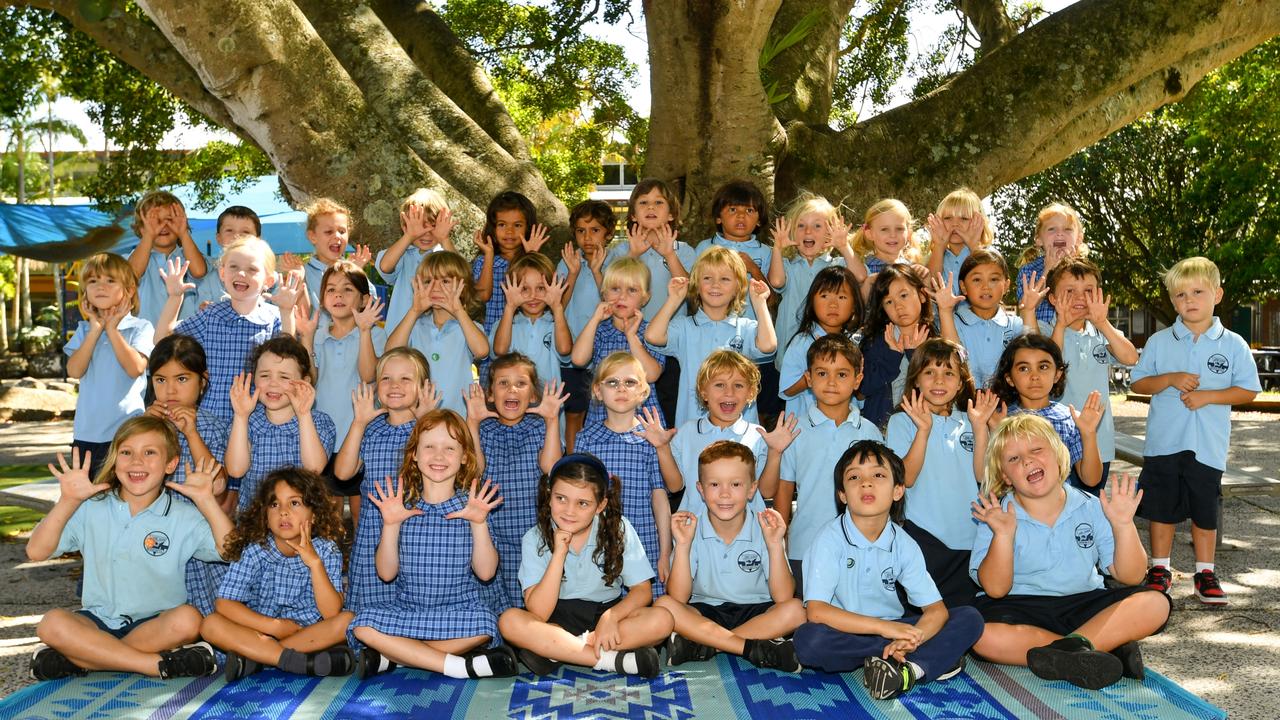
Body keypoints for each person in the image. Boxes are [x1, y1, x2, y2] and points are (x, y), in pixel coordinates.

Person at [970, 415, 1170, 689]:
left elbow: (1133, 575)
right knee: (979, 634)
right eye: (1014, 459)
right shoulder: (995, 516)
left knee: (1156, 602)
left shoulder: (1090, 506)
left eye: (1036, 450)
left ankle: (1072, 649)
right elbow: (995, 589)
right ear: (1005, 476)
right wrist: (1003, 536)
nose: (1027, 461)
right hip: (1021, 607)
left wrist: (1123, 525)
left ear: (1058, 454)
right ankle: (1101, 646)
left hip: (1085, 603)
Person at [27, 416, 229, 680]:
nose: (137, 461)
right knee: (51, 624)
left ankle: (82, 659)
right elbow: (36, 552)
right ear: (114, 459)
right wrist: (67, 501)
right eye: (126, 452)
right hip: (95, 622)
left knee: (189, 619)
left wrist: (207, 502)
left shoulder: (184, 515)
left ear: (171, 463)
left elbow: (231, 551)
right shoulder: (90, 506)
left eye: (149, 452)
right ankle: (156, 665)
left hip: (155, 624)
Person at [793, 441, 983, 700]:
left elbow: (935, 610)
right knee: (808, 640)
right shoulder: (828, 540)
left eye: (878, 475)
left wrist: (910, 637)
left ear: (898, 491)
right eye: (854, 476)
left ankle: (906, 669)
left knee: (970, 617)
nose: (866, 483)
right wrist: (886, 630)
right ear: (842, 494)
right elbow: (816, 611)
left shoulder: (904, 544)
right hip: (845, 630)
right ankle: (918, 658)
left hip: (894, 627)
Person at [350, 410, 519, 679]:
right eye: (429, 446)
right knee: (361, 625)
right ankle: (458, 666)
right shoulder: (400, 507)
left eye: (450, 448)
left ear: (464, 457)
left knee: (486, 624)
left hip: (460, 612)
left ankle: (398, 658)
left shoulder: (474, 507)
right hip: (409, 612)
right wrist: (391, 525)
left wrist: (478, 523)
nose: (439, 456)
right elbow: (386, 573)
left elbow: (486, 573)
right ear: (414, 454)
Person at [1130, 257, 1260, 604]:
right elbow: (1138, 382)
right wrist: (1170, 379)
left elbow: (1248, 390)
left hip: (1207, 447)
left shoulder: (1233, 344)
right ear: (1173, 300)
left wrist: (1209, 397)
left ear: (1217, 294)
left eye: (1198, 292)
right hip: (1164, 444)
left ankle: (1205, 572)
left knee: (1204, 511)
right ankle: (1160, 568)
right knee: (1162, 509)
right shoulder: (1160, 341)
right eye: (1180, 294)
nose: (1189, 300)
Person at [497, 454, 674, 677]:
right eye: (561, 498)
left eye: (582, 503)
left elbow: (642, 591)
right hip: (555, 618)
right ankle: (611, 660)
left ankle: (559, 651)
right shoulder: (534, 538)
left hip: (606, 612)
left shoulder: (618, 528)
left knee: (662, 620)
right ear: (549, 496)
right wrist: (559, 553)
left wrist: (611, 618)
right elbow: (539, 612)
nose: (569, 511)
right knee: (509, 621)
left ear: (600, 505)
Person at [656, 441, 806, 671]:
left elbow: (784, 596)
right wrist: (683, 545)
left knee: (796, 610)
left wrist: (775, 545)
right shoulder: (690, 527)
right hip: (705, 611)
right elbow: (677, 596)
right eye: (714, 484)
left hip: (756, 612)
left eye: (735, 484)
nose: (725, 493)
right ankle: (752, 648)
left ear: (751, 489)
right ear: (701, 489)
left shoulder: (765, 527)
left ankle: (706, 645)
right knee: (664, 605)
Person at [201, 467, 355, 680]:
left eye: (294, 503)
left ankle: (259, 658)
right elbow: (225, 603)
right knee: (210, 624)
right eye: (274, 504)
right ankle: (296, 661)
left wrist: (315, 564)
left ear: (315, 513)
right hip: (261, 631)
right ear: (264, 515)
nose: (283, 511)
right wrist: (274, 627)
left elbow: (331, 613)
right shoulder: (255, 550)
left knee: (348, 620)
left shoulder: (326, 550)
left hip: (308, 633)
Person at [885, 339, 998, 608]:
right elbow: (906, 478)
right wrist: (923, 431)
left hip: (971, 537)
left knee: (967, 612)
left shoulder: (971, 419)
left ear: (961, 382)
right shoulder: (902, 421)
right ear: (916, 380)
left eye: (949, 373)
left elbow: (983, 477)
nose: (939, 381)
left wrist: (981, 427)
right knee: (926, 610)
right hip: (924, 537)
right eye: (929, 372)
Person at [768, 335, 882, 590]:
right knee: (809, 619)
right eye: (822, 373)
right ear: (808, 379)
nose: (831, 382)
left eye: (842, 374)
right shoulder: (793, 431)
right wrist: (782, 541)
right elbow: (784, 489)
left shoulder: (870, 432)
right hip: (805, 546)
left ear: (857, 380)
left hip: (861, 546)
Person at [155, 235, 301, 424]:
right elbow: (162, 340)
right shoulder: (210, 315)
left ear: (269, 280)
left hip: (256, 422)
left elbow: (288, 359)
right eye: (234, 267)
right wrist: (175, 297)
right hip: (209, 419)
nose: (241, 274)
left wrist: (287, 311)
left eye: (252, 269)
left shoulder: (274, 317)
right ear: (222, 273)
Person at [335, 348, 438, 607]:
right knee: (373, 603)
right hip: (374, 530)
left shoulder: (430, 427)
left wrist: (425, 419)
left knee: (414, 601)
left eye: (406, 379)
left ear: (424, 387)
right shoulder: (372, 428)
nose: (394, 385)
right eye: (386, 379)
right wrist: (358, 423)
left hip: (418, 530)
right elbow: (343, 472)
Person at [464, 353, 567, 611]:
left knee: (535, 601)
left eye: (521, 384)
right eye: (503, 383)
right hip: (494, 534)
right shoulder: (485, 429)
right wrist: (473, 423)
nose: (512, 389)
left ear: (533, 396)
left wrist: (552, 419)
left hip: (534, 533)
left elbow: (552, 467)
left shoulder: (538, 427)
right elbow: (473, 472)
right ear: (489, 395)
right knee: (496, 602)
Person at [1030, 256, 1139, 493]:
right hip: (1054, 439)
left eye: (1088, 291)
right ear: (1052, 298)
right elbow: (1049, 368)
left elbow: (1131, 358)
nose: (1080, 298)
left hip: (1098, 441)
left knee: (1090, 508)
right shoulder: (1046, 329)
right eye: (1070, 291)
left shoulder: (1101, 333)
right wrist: (1060, 325)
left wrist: (1104, 324)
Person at [573, 352, 677, 595]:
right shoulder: (586, 439)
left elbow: (662, 496)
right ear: (598, 391)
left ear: (642, 392)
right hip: (597, 543)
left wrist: (665, 552)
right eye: (612, 382)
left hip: (644, 544)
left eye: (629, 382)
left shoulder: (651, 438)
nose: (621, 388)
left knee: (650, 609)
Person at [144, 334, 231, 614]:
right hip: (151, 539)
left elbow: (218, 485)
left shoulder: (214, 427)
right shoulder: (140, 425)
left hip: (200, 542)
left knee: (206, 614)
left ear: (202, 381)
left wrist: (191, 433)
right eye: (160, 380)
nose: (170, 389)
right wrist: (144, 431)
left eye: (182, 379)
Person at [646, 247, 776, 427]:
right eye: (707, 278)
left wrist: (760, 303)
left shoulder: (745, 327)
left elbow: (768, 345)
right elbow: (653, 336)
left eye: (725, 279)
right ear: (697, 285)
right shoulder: (685, 327)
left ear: (738, 287)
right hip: (693, 427)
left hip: (739, 432)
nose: (716, 285)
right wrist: (674, 299)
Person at [668, 350, 795, 516]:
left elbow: (766, 491)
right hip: (694, 532)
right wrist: (662, 447)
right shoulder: (687, 432)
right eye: (720, 385)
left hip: (747, 535)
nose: (729, 392)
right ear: (703, 391)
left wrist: (776, 452)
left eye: (738, 385)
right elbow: (674, 486)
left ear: (751, 393)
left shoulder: (758, 435)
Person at [66, 252, 153, 482]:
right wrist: (96, 329)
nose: (100, 286)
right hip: (86, 435)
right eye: (93, 281)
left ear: (130, 290)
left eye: (110, 280)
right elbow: (74, 371)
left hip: (126, 434)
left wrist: (112, 330)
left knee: (123, 497)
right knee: (87, 503)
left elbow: (135, 368)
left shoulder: (140, 327)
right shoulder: (84, 330)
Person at [224, 336, 336, 513]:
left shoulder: (319, 422)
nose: (273, 383)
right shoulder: (247, 421)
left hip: (303, 523)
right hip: (255, 520)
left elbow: (314, 468)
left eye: (284, 377)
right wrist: (241, 416)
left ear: (304, 382)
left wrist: (304, 414)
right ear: (254, 379)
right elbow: (236, 470)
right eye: (264, 375)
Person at [989, 334, 1105, 490]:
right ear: (1009, 378)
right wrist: (995, 431)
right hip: (1014, 510)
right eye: (1024, 368)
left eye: (1043, 367)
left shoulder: (1070, 420)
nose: (1034, 376)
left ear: (1057, 374)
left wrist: (1088, 433)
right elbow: (990, 478)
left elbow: (1091, 480)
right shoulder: (999, 418)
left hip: (1059, 509)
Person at [296, 259, 387, 452]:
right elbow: (310, 380)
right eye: (331, 290)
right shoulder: (317, 334)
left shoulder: (375, 334)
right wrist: (307, 338)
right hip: (321, 436)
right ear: (322, 300)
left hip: (362, 438)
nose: (338, 294)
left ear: (364, 299)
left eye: (348, 289)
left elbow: (369, 376)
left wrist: (364, 331)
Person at [386, 250, 489, 416]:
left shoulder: (468, 326)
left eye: (445, 281)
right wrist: (414, 310)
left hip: (459, 416)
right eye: (428, 281)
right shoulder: (415, 324)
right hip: (418, 416)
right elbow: (391, 352)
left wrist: (458, 310)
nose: (435, 287)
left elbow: (482, 351)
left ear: (462, 288)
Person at [570, 258, 666, 428]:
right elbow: (578, 359)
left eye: (632, 290)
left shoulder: (651, 332)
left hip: (643, 421)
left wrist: (631, 337)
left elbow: (652, 375)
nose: (622, 296)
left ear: (645, 298)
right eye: (615, 289)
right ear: (604, 294)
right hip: (601, 419)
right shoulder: (598, 330)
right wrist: (594, 319)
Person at [766, 193, 849, 366]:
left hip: (829, 349)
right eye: (801, 226)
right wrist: (778, 248)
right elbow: (775, 282)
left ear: (829, 233)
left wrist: (844, 246)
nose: (808, 231)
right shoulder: (787, 266)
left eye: (817, 226)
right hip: (790, 348)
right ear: (791, 233)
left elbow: (861, 276)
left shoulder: (837, 265)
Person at [932, 249, 1029, 388]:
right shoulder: (952, 323)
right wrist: (945, 311)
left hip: (1008, 406)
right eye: (977, 279)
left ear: (1006, 285)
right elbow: (952, 362)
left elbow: (1035, 357)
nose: (985, 287)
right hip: (964, 404)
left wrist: (1029, 310)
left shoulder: (1016, 325)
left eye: (994, 279)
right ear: (963, 287)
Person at [778, 266, 863, 419]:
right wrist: (817, 369)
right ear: (812, 302)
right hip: (805, 432)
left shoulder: (854, 344)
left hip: (844, 428)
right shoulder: (802, 341)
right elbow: (787, 390)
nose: (833, 304)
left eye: (842, 297)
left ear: (854, 307)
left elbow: (860, 397)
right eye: (824, 296)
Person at [491, 253, 572, 406]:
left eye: (541, 288)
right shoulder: (505, 324)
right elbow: (500, 350)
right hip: (512, 405)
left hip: (550, 408)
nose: (533, 296)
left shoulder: (558, 324)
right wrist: (510, 307)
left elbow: (565, 349)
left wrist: (557, 307)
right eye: (525, 289)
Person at [859, 265, 933, 427]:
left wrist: (915, 355)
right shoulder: (876, 341)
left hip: (922, 429)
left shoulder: (935, 339)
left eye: (904, 295)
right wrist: (891, 357)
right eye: (889, 301)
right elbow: (862, 388)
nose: (898, 306)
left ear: (922, 295)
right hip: (881, 430)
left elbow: (937, 387)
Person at [378, 188, 457, 331]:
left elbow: (461, 273)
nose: (426, 233)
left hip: (434, 337)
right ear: (404, 227)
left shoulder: (445, 255)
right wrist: (409, 236)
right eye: (420, 226)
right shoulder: (402, 253)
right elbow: (385, 266)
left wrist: (444, 239)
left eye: (432, 226)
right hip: (399, 335)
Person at [128, 190, 207, 327]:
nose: (163, 226)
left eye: (170, 220)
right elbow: (130, 274)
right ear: (141, 228)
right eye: (155, 221)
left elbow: (199, 271)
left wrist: (183, 232)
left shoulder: (189, 255)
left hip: (185, 339)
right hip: (145, 340)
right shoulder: (135, 258)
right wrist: (149, 235)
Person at [292, 198, 371, 314]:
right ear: (312, 236)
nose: (337, 236)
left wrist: (356, 276)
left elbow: (370, 304)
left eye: (342, 231)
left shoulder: (353, 269)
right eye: (329, 232)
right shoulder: (304, 274)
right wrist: (298, 279)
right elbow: (301, 315)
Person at [1015, 202, 1086, 327]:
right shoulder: (1029, 270)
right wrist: (1047, 270)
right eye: (1052, 229)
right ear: (1039, 239)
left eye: (1067, 229)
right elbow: (1024, 308)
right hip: (1040, 336)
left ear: (1079, 239)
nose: (1059, 233)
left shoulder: (1085, 270)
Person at [925, 188, 993, 295]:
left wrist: (974, 246)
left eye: (964, 218)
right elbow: (928, 285)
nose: (955, 224)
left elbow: (991, 280)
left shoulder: (988, 253)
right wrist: (939, 246)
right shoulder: (935, 256)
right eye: (948, 218)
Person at [846, 198, 926, 289]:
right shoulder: (862, 268)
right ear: (869, 234)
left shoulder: (913, 269)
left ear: (909, 233)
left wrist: (925, 280)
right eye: (884, 229)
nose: (893, 235)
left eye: (899, 229)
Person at [196, 206, 262, 307]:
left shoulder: (269, 278)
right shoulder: (209, 282)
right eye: (230, 230)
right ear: (218, 238)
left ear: (258, 240)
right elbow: (200, 314)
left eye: (245, 232)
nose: (237, 236)